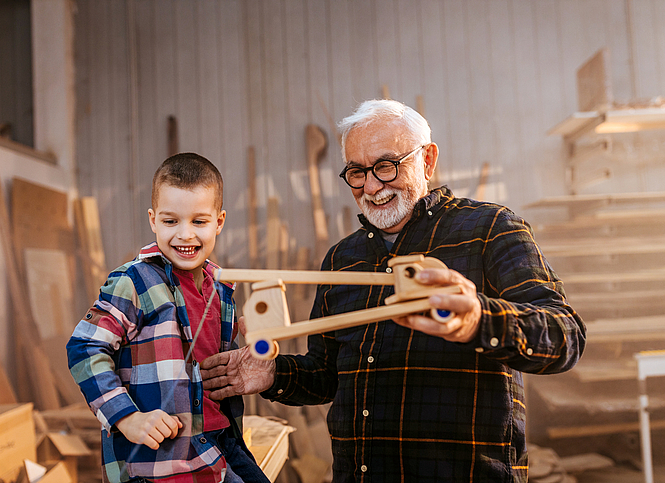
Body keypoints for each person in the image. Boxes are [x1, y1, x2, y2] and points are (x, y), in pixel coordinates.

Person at [200, 100, 586, 483]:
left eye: (385, 166)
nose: (371, 187)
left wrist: (478, 319)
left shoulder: (490, 230)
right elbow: (326, 375)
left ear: (428, 160)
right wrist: (273, 373)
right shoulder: (342, 259)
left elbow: (564, 336)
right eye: (356, 172)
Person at [67, 153, 270, 483]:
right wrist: (128, 418)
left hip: (220, 444)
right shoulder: (132, 282)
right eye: (171, 221)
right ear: (153, 220)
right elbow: (84, 349)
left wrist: (256, 357)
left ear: (219, 222)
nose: (185, 235)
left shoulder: (222, 289)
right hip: (159, 463)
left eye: (199, 222)